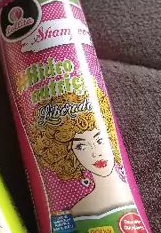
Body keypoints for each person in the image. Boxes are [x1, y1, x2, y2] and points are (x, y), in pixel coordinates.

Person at [31, 89, 134, 217]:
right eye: (82, 147)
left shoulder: (130, 195)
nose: (95, 154)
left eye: (100, 140)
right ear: (68, 155)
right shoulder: (77, 211)